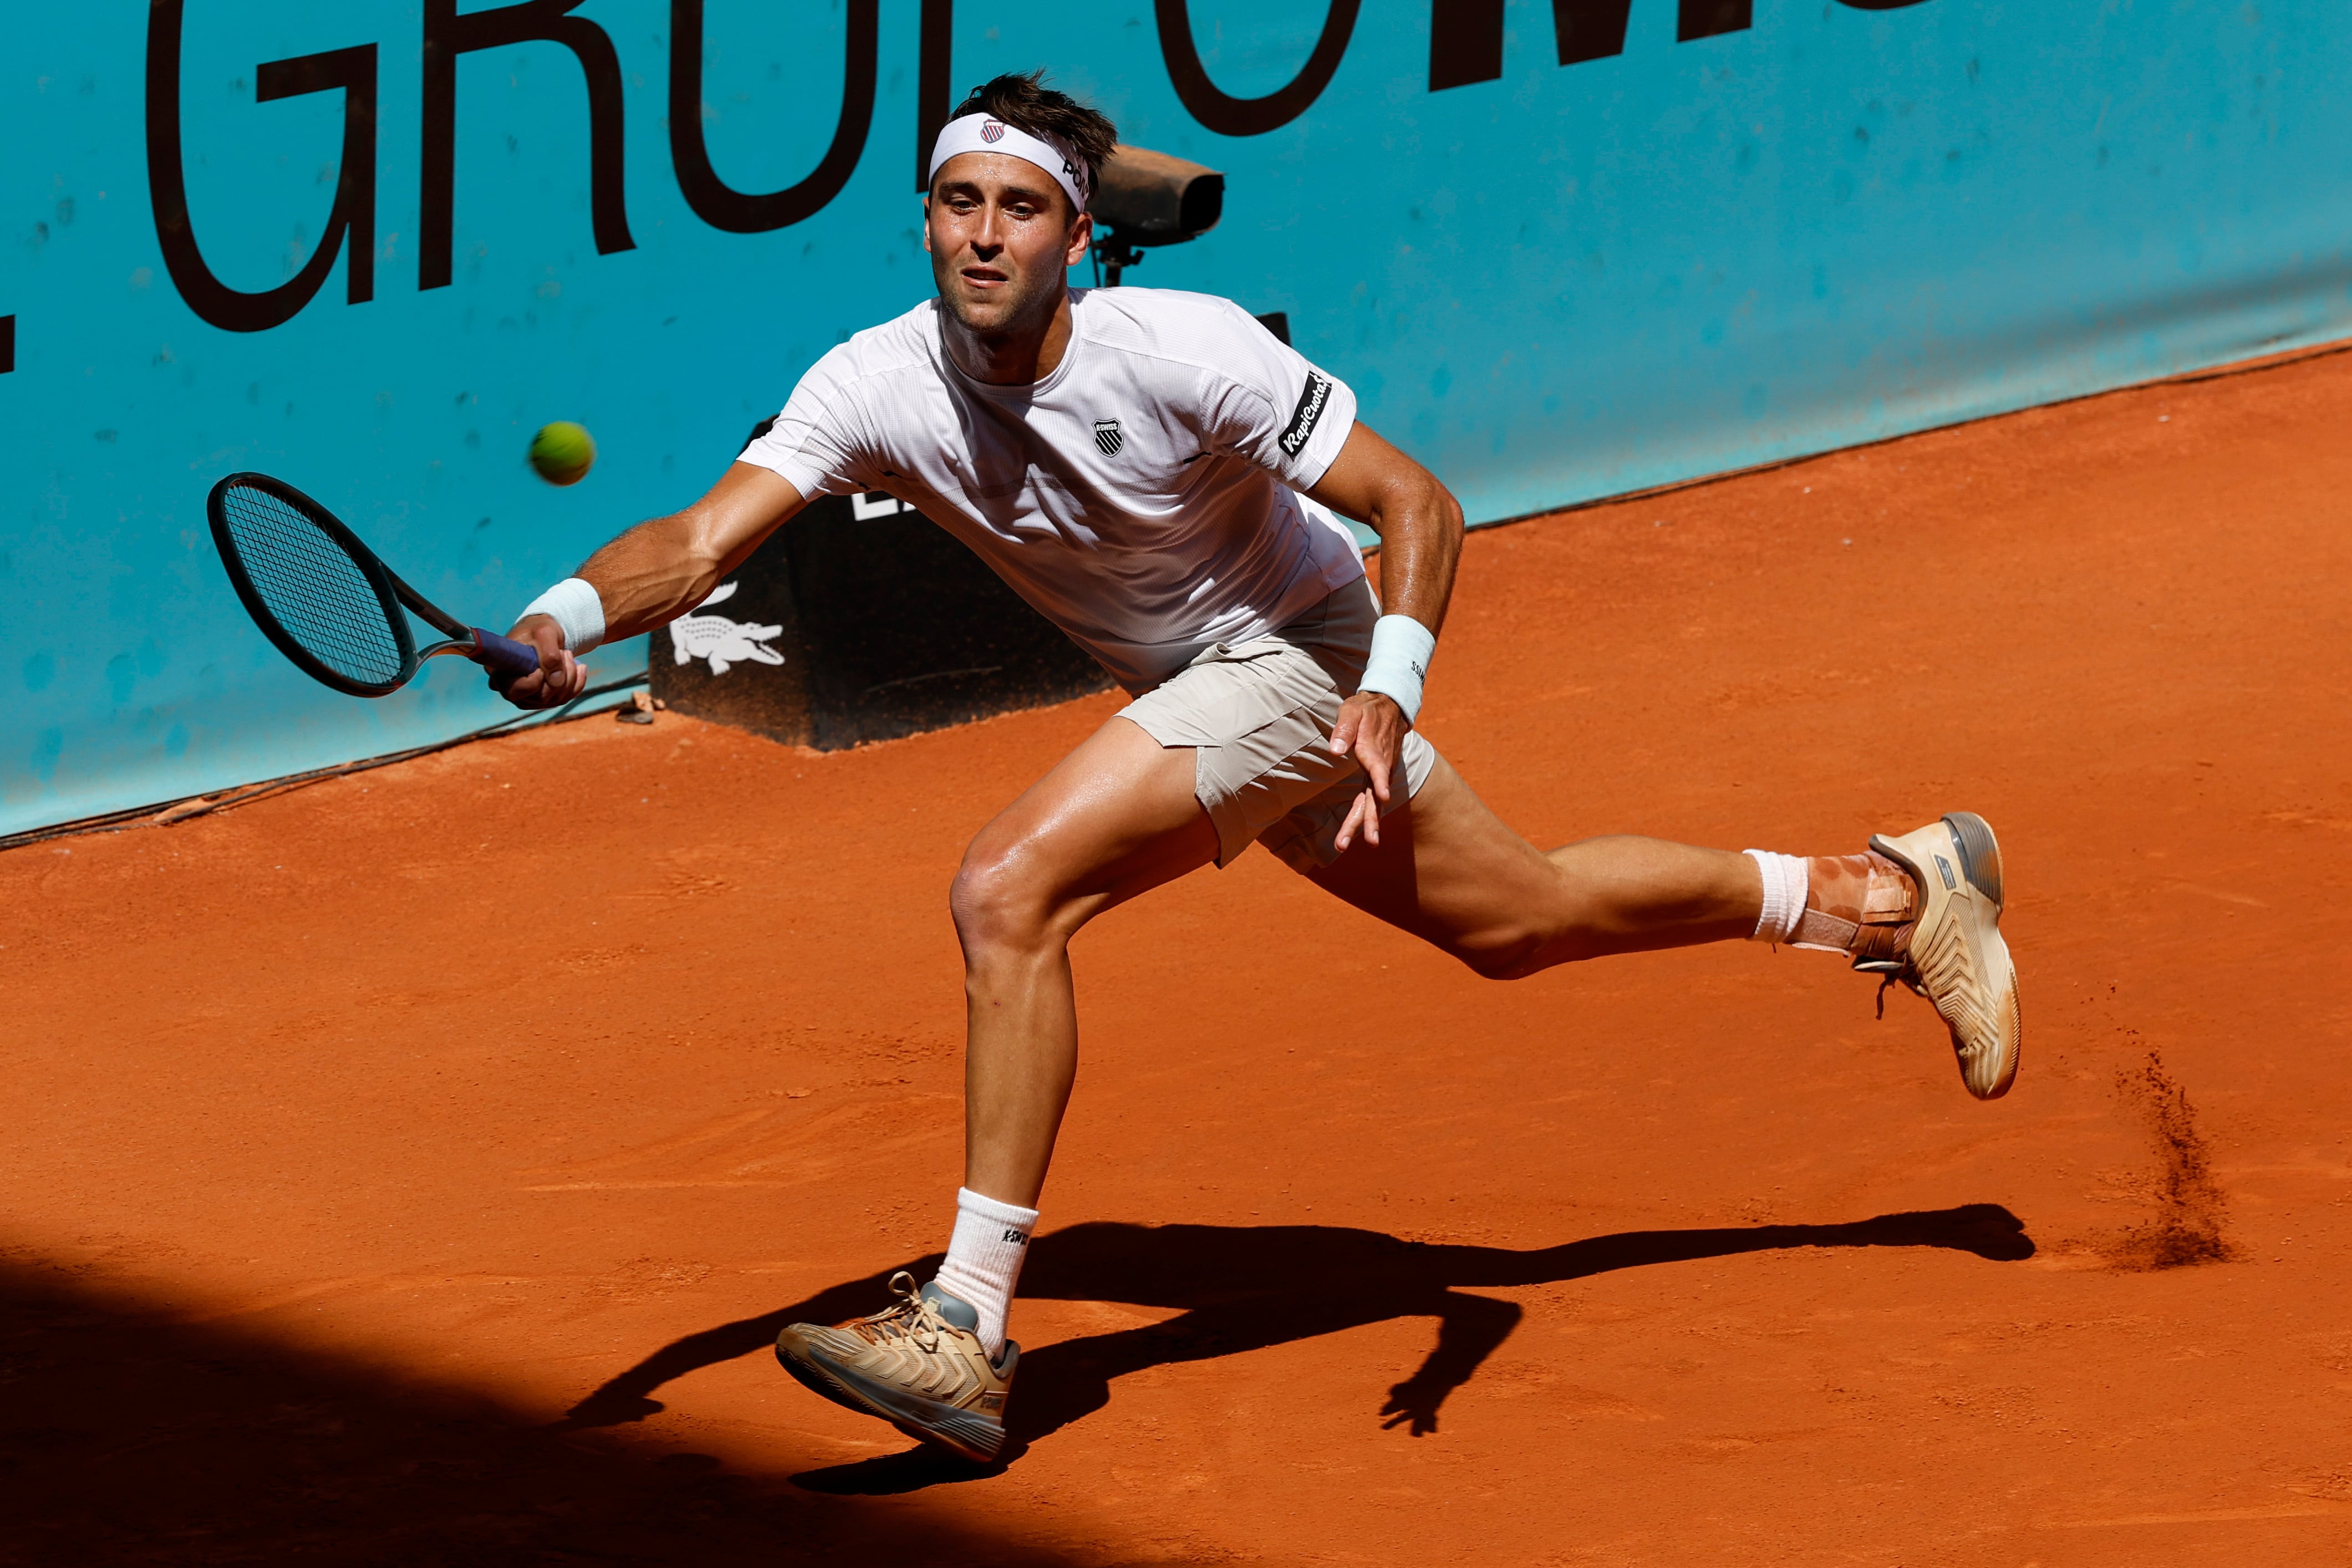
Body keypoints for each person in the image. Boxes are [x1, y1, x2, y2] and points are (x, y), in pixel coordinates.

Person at [495, 72, 2020, 1465]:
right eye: (958, 203)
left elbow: (1417, 503)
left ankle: (964, 1322)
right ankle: (1889, 898)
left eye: (1018, 208)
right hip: (1196, 686)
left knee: (1009, 889)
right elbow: (697, 543)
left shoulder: (1184, 350)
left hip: (1304, 654)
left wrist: (1388, 689)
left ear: (1074, 237)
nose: (982, 236)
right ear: (926, 219)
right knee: (1524, 920)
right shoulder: (873, 380)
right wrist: (567, 616)